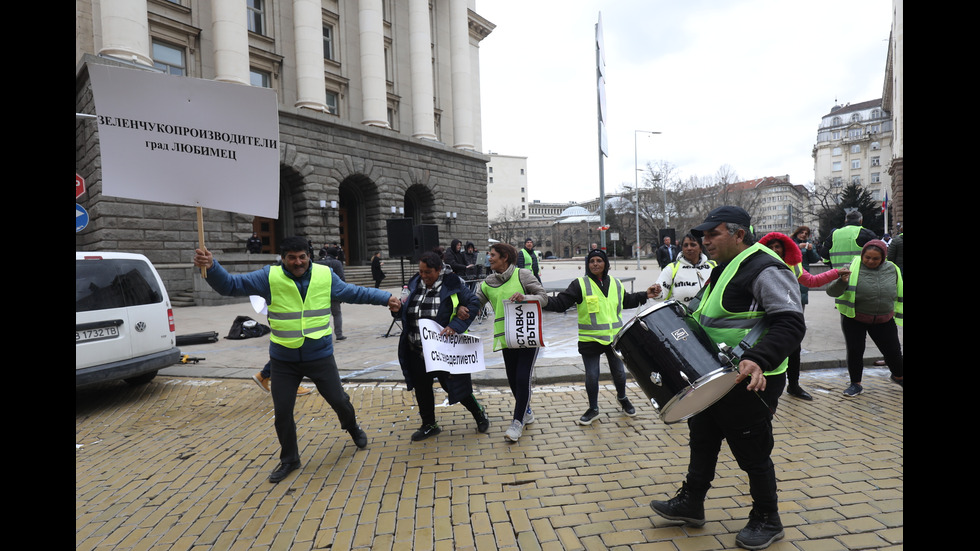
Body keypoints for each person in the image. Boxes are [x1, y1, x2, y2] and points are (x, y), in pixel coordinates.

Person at [648, 206, 805, 551]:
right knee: (703, 438)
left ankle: (768, 517)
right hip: (716, 375)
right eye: (702, 236)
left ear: (738, 234)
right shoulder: (723, 269)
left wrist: (756, 359)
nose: (704, 242)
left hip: (750, 379)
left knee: (752, 450)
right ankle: (692, 503)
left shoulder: (765, 268)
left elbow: (791, 323)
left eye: (712, 234)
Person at [192, 236, 401, 483]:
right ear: (283, 259)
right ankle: (290, 459)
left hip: (320, 357)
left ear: (309, 256)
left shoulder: (325, 275)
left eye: (302, 256)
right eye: (292, 257)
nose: (298, 262)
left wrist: (385, 297)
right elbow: (229, 286)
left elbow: (354, 292)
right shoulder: (268, 277)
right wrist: (212, 266)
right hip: (283, 361)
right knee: (282, 413)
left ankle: (352, 427)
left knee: (340, 401)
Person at [544, 249, 656, 425]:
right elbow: (561, 303)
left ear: (606, 264)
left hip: (615, 339)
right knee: (591, 376)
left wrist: (645, 295)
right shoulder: (580, 284)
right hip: (590, 339)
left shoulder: (616, 283)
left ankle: (622, 397)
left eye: (599, 261)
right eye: (592, 261)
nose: (595, 264)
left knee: (619, 374)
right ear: (588, 265)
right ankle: (593, 408)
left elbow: (626, 300)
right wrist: (541, 301)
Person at [395, 251, 489, 441]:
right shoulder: (414, 283)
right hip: (416, 348)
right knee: (422, 388)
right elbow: (405, 309)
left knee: (454, 386)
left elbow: (473, 303)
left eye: (428, 272)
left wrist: (455, 325)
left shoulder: (453, 283)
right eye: (421, 271)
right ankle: (429, 424)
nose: (423, 276)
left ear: (438, 270)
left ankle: (478, 413)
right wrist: (397, 310)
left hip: (443, 350)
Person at [474, 242, 550, 442]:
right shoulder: (487, 282)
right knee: (513, 379)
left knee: (522, 377)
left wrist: (525, 297)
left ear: (504, 257)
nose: (489, 258)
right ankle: (527, 411)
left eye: (492, 255)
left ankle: (517, 422)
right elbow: (474, 305)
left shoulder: (523, 275)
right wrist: (461, 310)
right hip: (506, 338)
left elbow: (543, 298)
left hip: (527, 335)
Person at [759, 232, 847, 401]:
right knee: (765, 351)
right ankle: (762, 387)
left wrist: (836, 272)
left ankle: (793, 386)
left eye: (777, 247)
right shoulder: (757, 265)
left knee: (794, 351)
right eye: (770, 247)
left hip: (788, 314)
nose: (774, 250)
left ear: (785, 249)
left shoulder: (794, 264)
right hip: (763, 316)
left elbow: (811, 281)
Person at [826, 239, 903, 397]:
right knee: (855, 351)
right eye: (867, 257)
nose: (870, 261)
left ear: (883, 258)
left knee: (893, 352)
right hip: (855, 318)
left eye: (876, 258)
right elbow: (831, 291)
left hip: (883, 319)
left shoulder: (892, 269)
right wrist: (842, 281)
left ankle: (898, 376)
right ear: (862, 255)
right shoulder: (851, 268)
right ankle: (856, 384)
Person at [649, 233, 713, 307]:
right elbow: (660, 295)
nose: (689, 248)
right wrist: (657, 292)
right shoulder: (671, 269)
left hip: (710, 317)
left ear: (700, 248)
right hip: (682, 317)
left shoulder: (713, 266)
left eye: (693, 245)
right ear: (682, 248)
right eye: (685, 245)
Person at [320, 248, 347, 341]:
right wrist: (343, 293)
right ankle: (339, 335)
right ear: (336, 255)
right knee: (337, 314)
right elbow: (341, 278)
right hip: (334, 293)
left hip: (321, 292)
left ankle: (322, 335)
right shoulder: (337, 263)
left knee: (321, 314)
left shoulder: (320, 262)